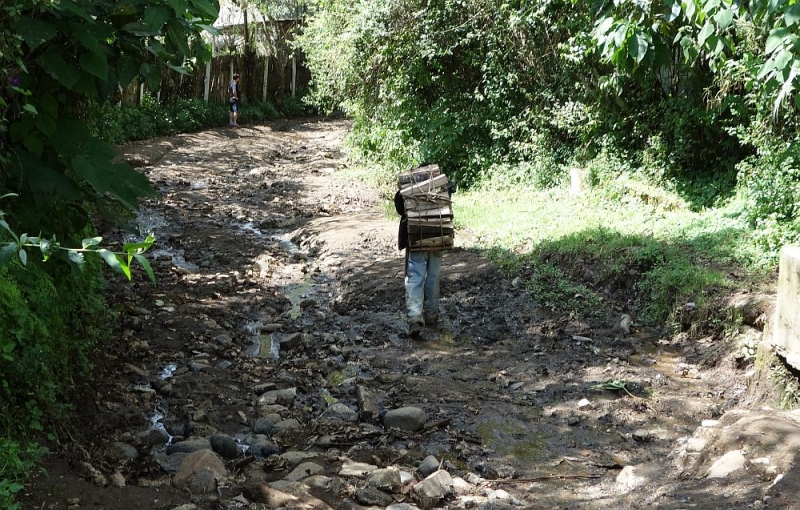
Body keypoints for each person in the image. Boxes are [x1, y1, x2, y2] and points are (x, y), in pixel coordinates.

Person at [395, 169, 453, 337]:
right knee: (433, 276)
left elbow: (400, 210)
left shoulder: (407, 189)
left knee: (415, 276)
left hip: (416, 237)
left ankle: (414, 317)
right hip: (438, 236)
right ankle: (431, 315)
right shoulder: (443, 187)